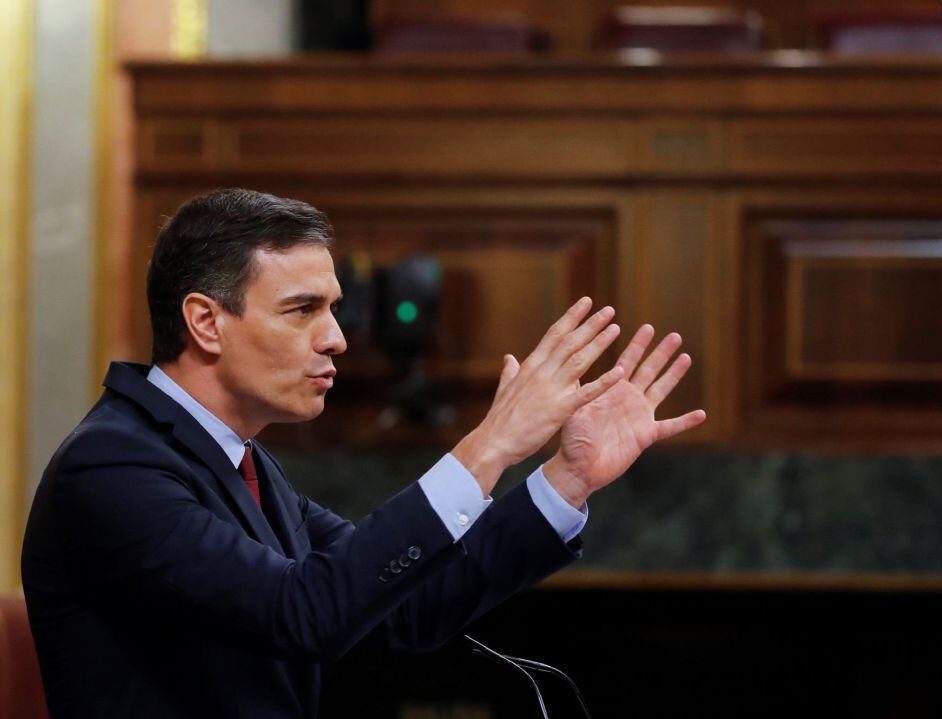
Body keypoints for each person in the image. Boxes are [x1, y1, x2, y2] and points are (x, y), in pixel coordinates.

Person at [21, 188, 706, 719]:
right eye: (302, 310)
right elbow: (303, 612)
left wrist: (566, 479)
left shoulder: (242, 465)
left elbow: (405, 605)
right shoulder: (113, 466)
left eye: (334, 309)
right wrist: (490, 444)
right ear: (205, 321)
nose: (337, 339)